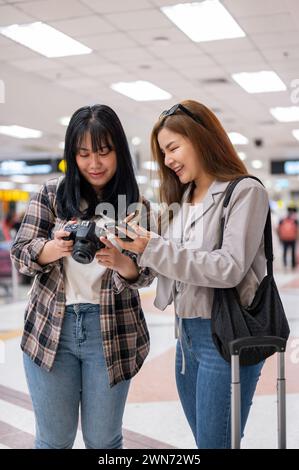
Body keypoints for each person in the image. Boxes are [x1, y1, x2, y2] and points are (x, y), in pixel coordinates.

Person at [115, 100, 270, 449]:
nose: (167, 160)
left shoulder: (245, 191)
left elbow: (229, 267)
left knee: (216, 443)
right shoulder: (182, 199)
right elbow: (169, 265)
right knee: (205, 442)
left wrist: (153, 247)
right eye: (163, 152)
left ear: (201, 139)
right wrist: (130, 251)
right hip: (185, 338)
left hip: (226, 337)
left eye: (173, 147)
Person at [10, 104, 154, 449]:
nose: (94, 163)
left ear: (120, 151)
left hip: (112, 330)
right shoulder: (51, 194)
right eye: (84, 153)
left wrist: (122, 262)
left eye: (104, 152)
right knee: (53, 439)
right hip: (50, 331)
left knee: (103, 440)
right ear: (72, 154)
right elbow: (22, 253)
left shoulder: (135, 205)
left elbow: (146, 274)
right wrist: (53, 248)